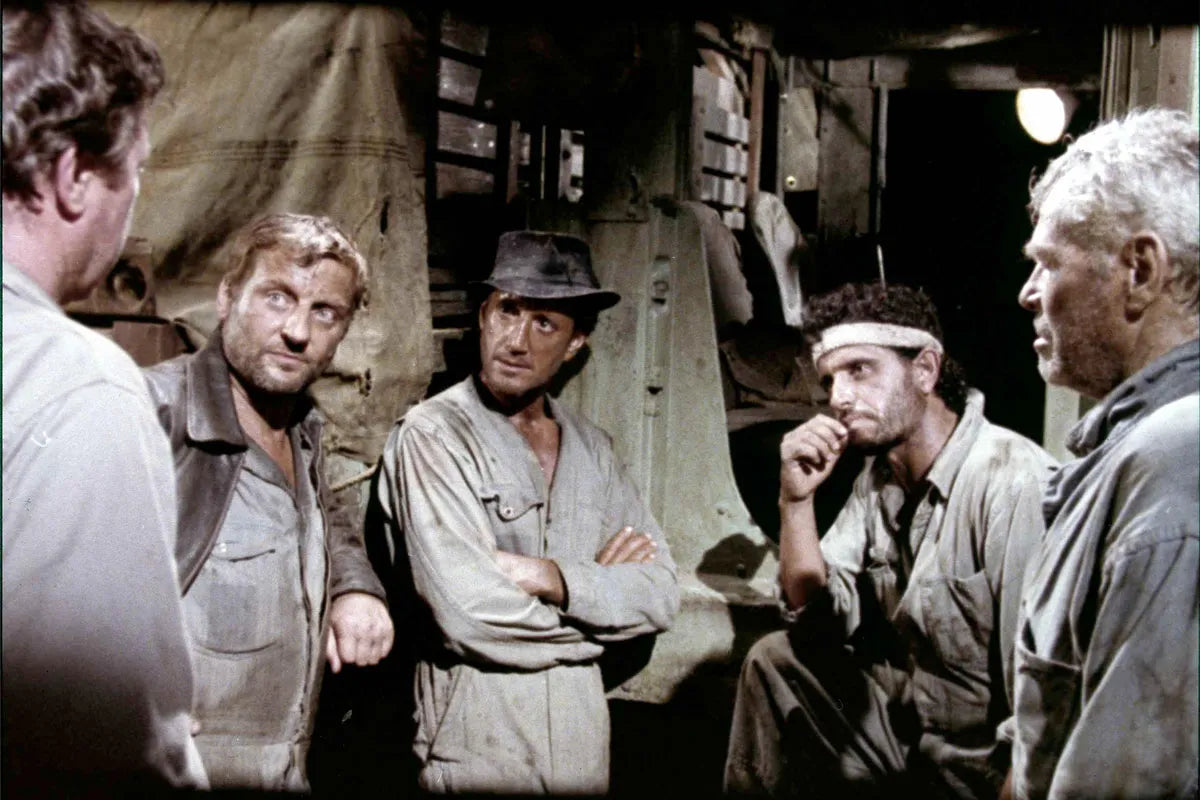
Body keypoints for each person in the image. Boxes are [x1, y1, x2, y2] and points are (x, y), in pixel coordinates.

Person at [724, 282, 1057, 799]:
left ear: (925, 370)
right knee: (777, 660)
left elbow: (1044, 695)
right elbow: (814, 621)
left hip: (980, 772)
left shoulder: (1010, 479)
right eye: (829, 379)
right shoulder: (879, 479)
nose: (838, 398)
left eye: (859, 370)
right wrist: (796, 502)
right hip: (907, 743)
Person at [378, 230, 680, 794]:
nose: (516, 341)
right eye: (507, 311)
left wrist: (551, 578)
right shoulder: (433, 436)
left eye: (544, 323)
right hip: (477, 742)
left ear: (575, 342)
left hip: (582, 744)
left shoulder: (593, 449)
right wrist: (604, 620)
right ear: (482, 317)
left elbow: (661, 593)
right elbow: (465, 613)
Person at [1, 1, 207, 794]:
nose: (136, 197)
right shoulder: (77, 385)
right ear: (74, 178)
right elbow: (103, 745)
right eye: (138, 168)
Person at [142, 213, 394, 791]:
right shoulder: (153, 411)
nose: (298, 332)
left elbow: (319, 517)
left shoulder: (301, 426)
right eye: (277, 298)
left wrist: (354, 586)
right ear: (227, 297)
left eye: (324, 312)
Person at [1006, 107, 1198, 800]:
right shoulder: (1136, 451)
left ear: (1140, 270)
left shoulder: (1171, 467)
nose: (1028, 294)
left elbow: (1130, 780)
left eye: (1047, 264)